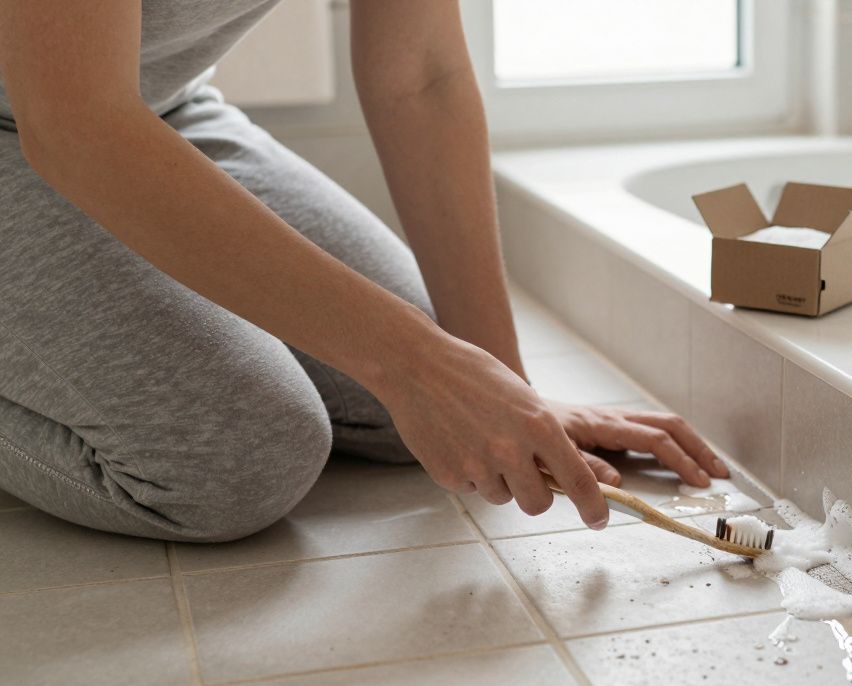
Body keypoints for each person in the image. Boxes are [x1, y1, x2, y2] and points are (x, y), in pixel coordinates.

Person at [0, 0, 728, 542]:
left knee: (405, 401)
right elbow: (75, 123)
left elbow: (421, 75)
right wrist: (420, 366)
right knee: (238, 459)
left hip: (161, 107)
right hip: (72, 115)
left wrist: (500, 383)